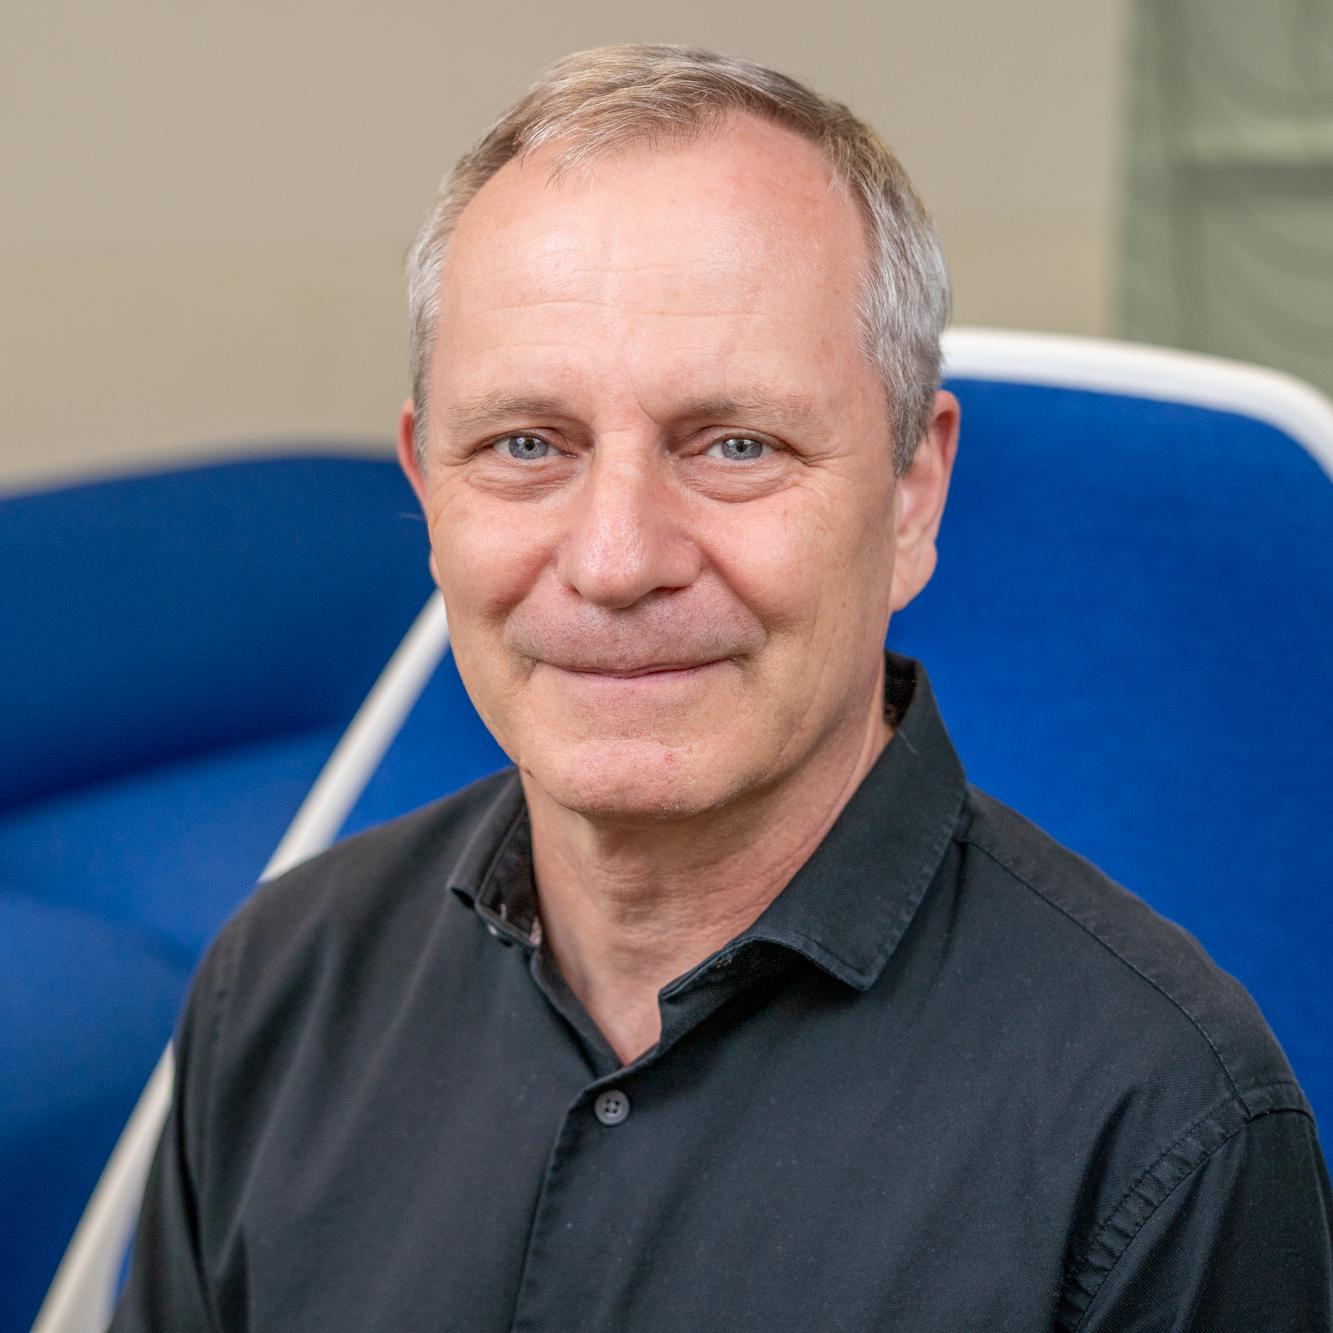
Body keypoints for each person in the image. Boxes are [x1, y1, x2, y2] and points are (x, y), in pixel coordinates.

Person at [113, 44, 1332, 1331]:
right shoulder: (280, 990)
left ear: (912, 493)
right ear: (427, 489)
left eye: (735, 444)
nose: (616, 560)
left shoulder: (1163, 1135)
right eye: (527, 445)